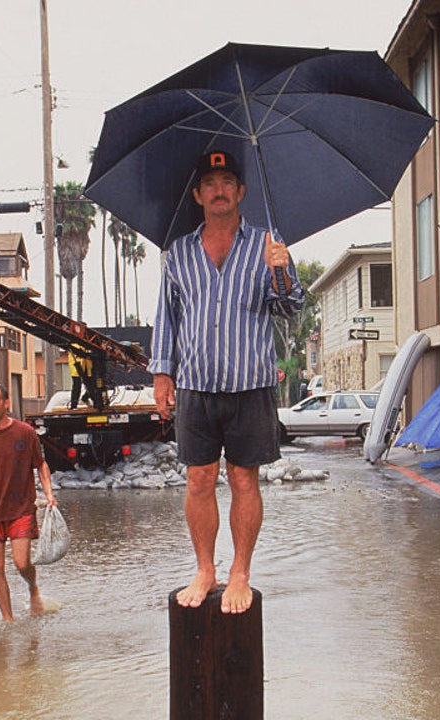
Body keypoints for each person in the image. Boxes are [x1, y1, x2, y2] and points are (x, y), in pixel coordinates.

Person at [149, 149, 305, 614]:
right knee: (198, 479)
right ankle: (205, 569)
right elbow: (167, 316)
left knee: (243, 479)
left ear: (240, 192)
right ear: (199, 195)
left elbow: (290, 308)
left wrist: (281, 270)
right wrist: (162, 373)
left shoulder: (267, 245)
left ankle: (240, 571)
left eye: (227, 183)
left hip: (250, 383)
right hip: (196, 384)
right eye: (210, 184)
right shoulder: (178, 253)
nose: (219, 190)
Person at [0, 383, 58, 621]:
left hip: (21, 508)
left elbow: (40, 464)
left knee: (21, 563)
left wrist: (49, 494)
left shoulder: (25, 433)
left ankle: (33, 588)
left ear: (6, 404)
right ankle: (8, 620)